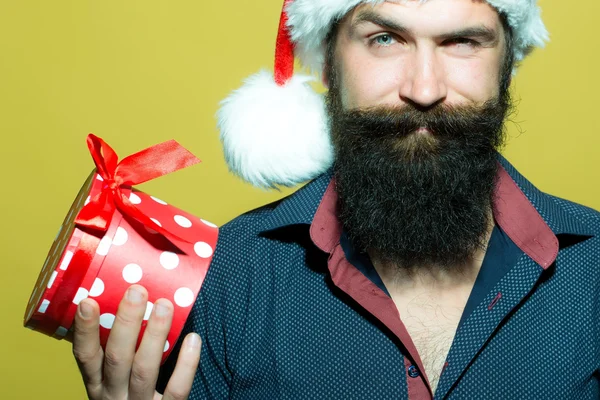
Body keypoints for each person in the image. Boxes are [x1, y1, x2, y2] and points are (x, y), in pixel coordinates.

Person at [71, 0, 600, 398]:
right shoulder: (229, 276)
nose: (423, 88)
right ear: (328, 62)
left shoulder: (593, 265)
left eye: (463, 41)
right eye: (385, 39)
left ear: (506, 65)